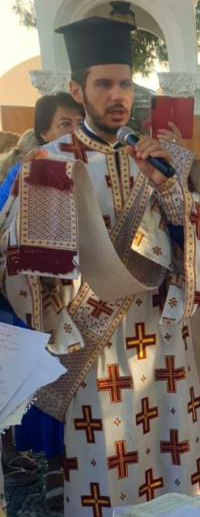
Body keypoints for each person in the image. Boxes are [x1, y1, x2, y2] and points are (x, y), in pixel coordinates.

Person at [0, 17, 200, 516]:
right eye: (103, 84)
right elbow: (25, 273)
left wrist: (168, 187)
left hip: (164, 352)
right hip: (95, 355)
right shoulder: (48, 164)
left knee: (174, 469)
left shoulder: (163, 160)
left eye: (124, 83)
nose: (117, 95)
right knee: (105, 473)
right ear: (78, 90)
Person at [0, 93, 85, 510]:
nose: (74, 133)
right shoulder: (24, 171)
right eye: (65, 124)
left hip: (89, 298)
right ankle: (55, 464)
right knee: (52, 381)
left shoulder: (92, 170)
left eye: (79, 124)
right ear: (43, 132)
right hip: (40, 300)